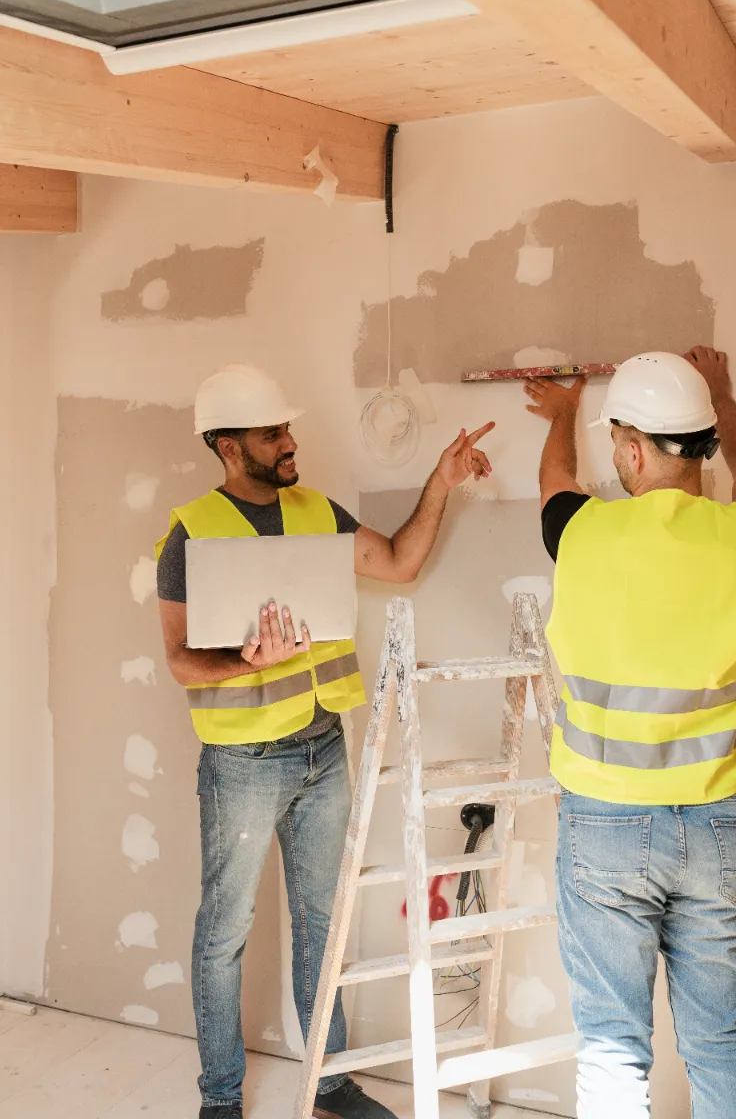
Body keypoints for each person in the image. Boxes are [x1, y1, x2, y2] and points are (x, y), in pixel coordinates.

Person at [155, 363, 494, 1119]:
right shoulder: (191, 531)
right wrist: (243, 663)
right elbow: (179, 660)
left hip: (322, 749)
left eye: (287, 428)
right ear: (228, 445)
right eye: (273, 432)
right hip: (242, 762)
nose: (290, 441)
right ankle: (220, 1099)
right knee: (225, 932)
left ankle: (328, 1083)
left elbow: (400, 564)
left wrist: (439, 483)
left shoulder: (317, 510)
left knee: (321, 924)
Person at [524, 347, 736, 1119]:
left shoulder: (581, 535)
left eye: (618, 445)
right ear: (704, 441)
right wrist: (726, 397)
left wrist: (567, 412)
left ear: (632, 450)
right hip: (718, 830)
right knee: (717, 1041)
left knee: (613, 1049)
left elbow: (554, 484)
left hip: (604, 828)